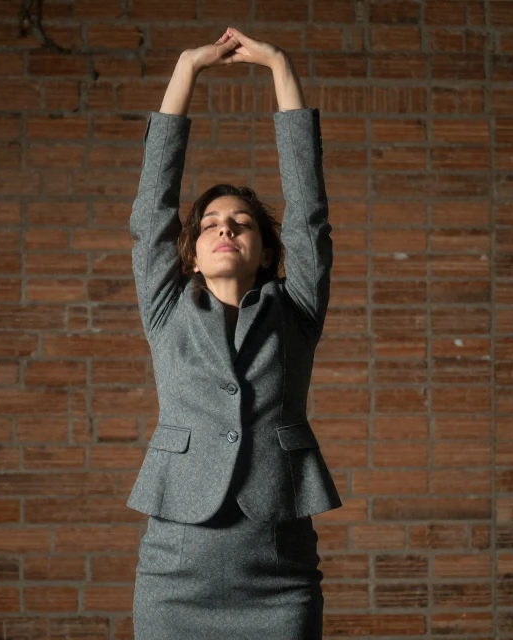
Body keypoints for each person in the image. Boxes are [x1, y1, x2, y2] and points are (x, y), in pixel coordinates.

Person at [125, 26, 342, 639]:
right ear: (191, 252)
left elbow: (309, 217)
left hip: (278, 577)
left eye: (242, 224)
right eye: (212, 223)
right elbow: (150, 214)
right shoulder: (166, 308)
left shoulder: (295, 309)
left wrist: (279, 68)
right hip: (173, 578)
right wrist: (186, 72)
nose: (226, 230)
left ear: (265, 249)